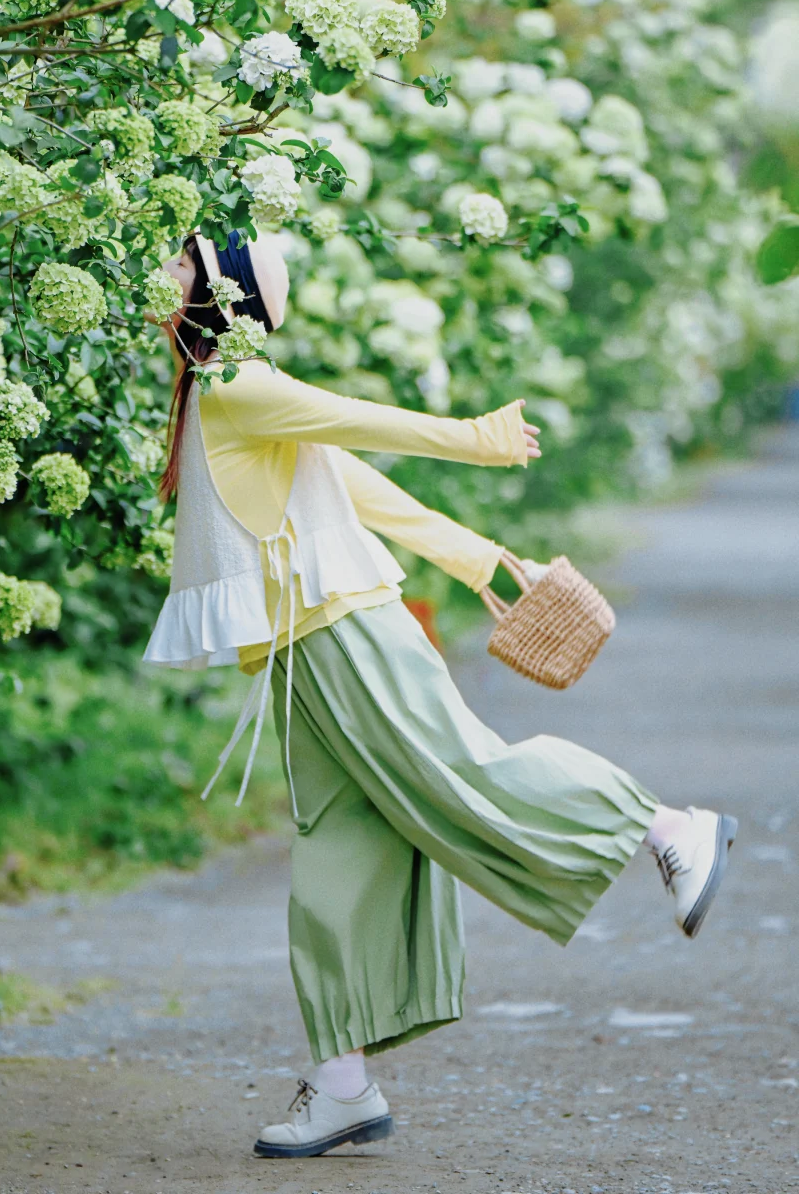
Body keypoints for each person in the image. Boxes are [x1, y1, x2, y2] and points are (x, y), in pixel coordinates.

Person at [143, 230, 737, 1160]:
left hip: (345, 633)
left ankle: (666, 826)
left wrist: (475, 440)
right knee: (336, 854)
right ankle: (342, 1085)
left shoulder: (239, 387)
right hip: (305, 653)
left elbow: (356, 422)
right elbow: (360, 490)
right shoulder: (222, 397)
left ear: (220, 293)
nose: (164, 275)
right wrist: (477, 559)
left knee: (463, 773)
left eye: (182, 264)